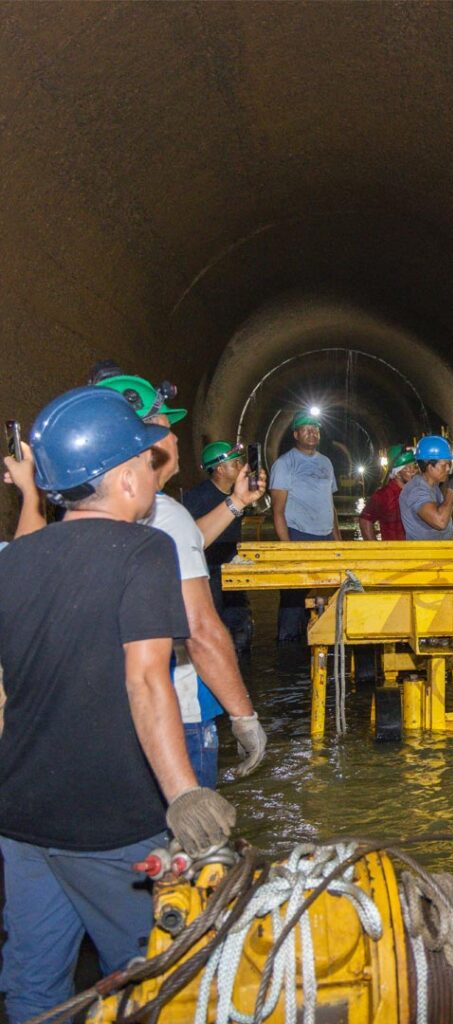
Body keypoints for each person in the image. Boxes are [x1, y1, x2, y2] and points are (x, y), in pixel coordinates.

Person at [0, 386, 236, 1024]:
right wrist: (185, 793)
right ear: (123, 476)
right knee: (158, 977)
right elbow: (146, 681)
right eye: (146, 461)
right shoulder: (144, 551)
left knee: (32, 985)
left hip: (19, 817)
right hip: (107, 822)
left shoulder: (13, 558)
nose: (154, 470)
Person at [94, 374, 267, 785]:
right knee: (188, 839)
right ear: (146, 442)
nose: (173, 440)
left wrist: (237, 502)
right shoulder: (166, 515)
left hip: (112, 708)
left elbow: (190, 540)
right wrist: (244, 717)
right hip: (177, 711)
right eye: (167, 430)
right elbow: (201, 632)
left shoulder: (88, 509)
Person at [269, 410, 341, 640]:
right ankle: (288, 646)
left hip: (325, 536)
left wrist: (337, 538)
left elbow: (330, 503)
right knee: (293, 596)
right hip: (298, 534)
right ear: (296, 434)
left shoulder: (326, 463)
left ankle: (321, 640)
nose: (312, 432)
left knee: (328, 593)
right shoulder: (284, 464)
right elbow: (277, 510)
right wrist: (287, 547)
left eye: (316, 428)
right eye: (306, 429)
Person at [183, 442, 256, 654]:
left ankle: (241, 668)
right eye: (235, 463)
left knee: (241, 622)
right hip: (208, 571)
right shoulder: (197, 498)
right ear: (220, 469)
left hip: (231, 568)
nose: (242, 466)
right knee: (213, 624)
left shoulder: (236, 495)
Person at [399, 435, 453, 540]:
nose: (447, 469)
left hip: (436, 552)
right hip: (425, 554)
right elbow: (440, 522)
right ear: (429, 466)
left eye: (449, 464)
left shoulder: (432, 486)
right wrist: (451, 491)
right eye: (444, 465)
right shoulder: (417, 490)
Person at [358, 447, 418, 540]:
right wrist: (376, 551)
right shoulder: (384, 495)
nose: (413, 471)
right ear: (397, 473)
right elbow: (365, 521)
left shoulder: (416, 491)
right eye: (407, 468)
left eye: (414, 466)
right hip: (393, 552)